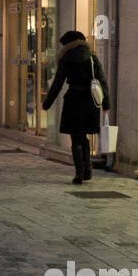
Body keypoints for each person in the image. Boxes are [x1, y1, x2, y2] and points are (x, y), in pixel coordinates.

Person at [42, 29, 110, 186]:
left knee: (76, 138)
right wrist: (106, 103)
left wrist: (47, 103)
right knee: (85, 136)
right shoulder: (92, 58)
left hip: (73, 100)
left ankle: (79, 172)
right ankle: (88, 171)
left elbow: (58, 83)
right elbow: (102, 81)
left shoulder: (66, 59)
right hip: (90, 101)